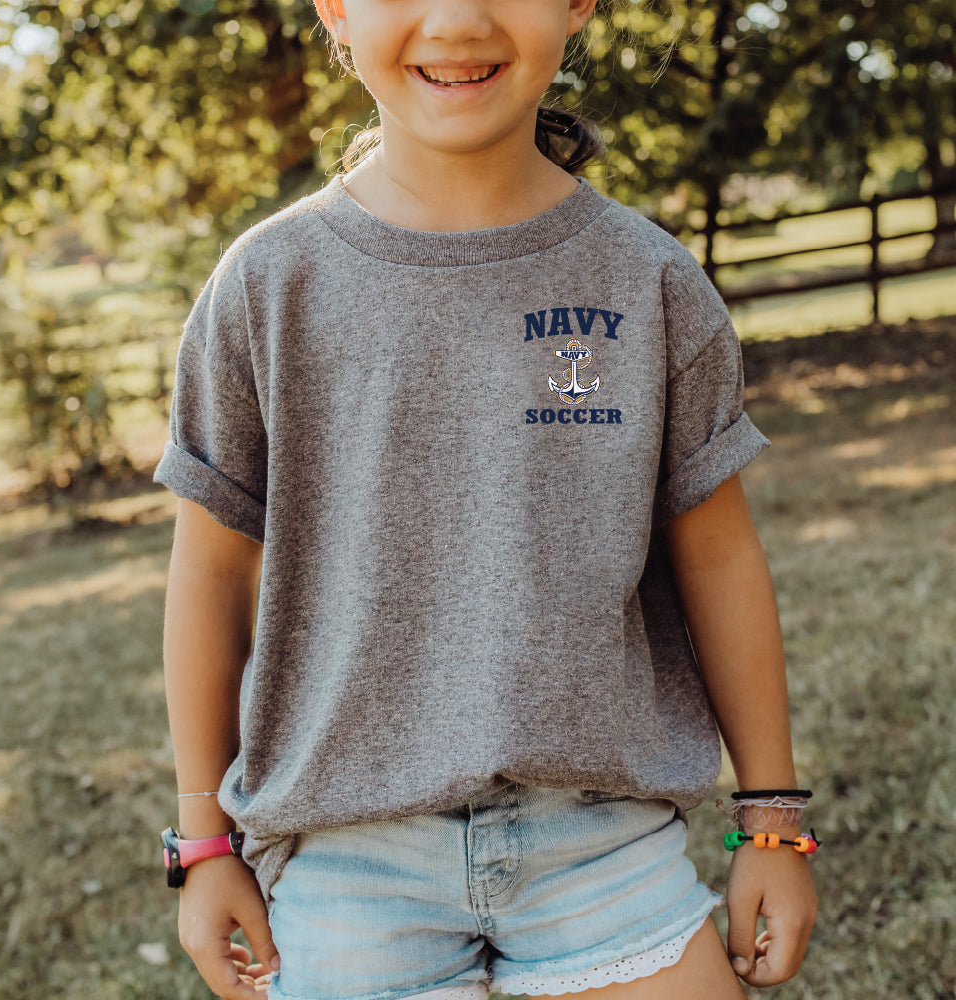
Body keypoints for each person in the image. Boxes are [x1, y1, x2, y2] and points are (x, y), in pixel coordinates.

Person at [154, 1, 819, 999]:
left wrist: (773, 821)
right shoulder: (266, 285)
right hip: (347, 856)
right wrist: (204, 843)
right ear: (334, 8)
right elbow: (209, 577)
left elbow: (719, 557)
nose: (458, 19)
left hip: (602, 836)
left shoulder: (650, 280)